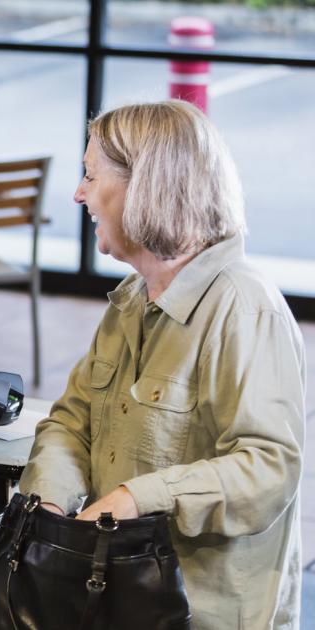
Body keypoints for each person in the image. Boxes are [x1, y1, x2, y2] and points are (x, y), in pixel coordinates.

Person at [19, 100, 304, 628]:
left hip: (199, 614)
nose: (79, 193)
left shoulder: (243, 308)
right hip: (120, 599)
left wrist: (137, 498)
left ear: (146, 187)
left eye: (90, 175)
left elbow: (269, 469)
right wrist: (52, 503)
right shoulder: (134, 297)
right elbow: (71, 420)